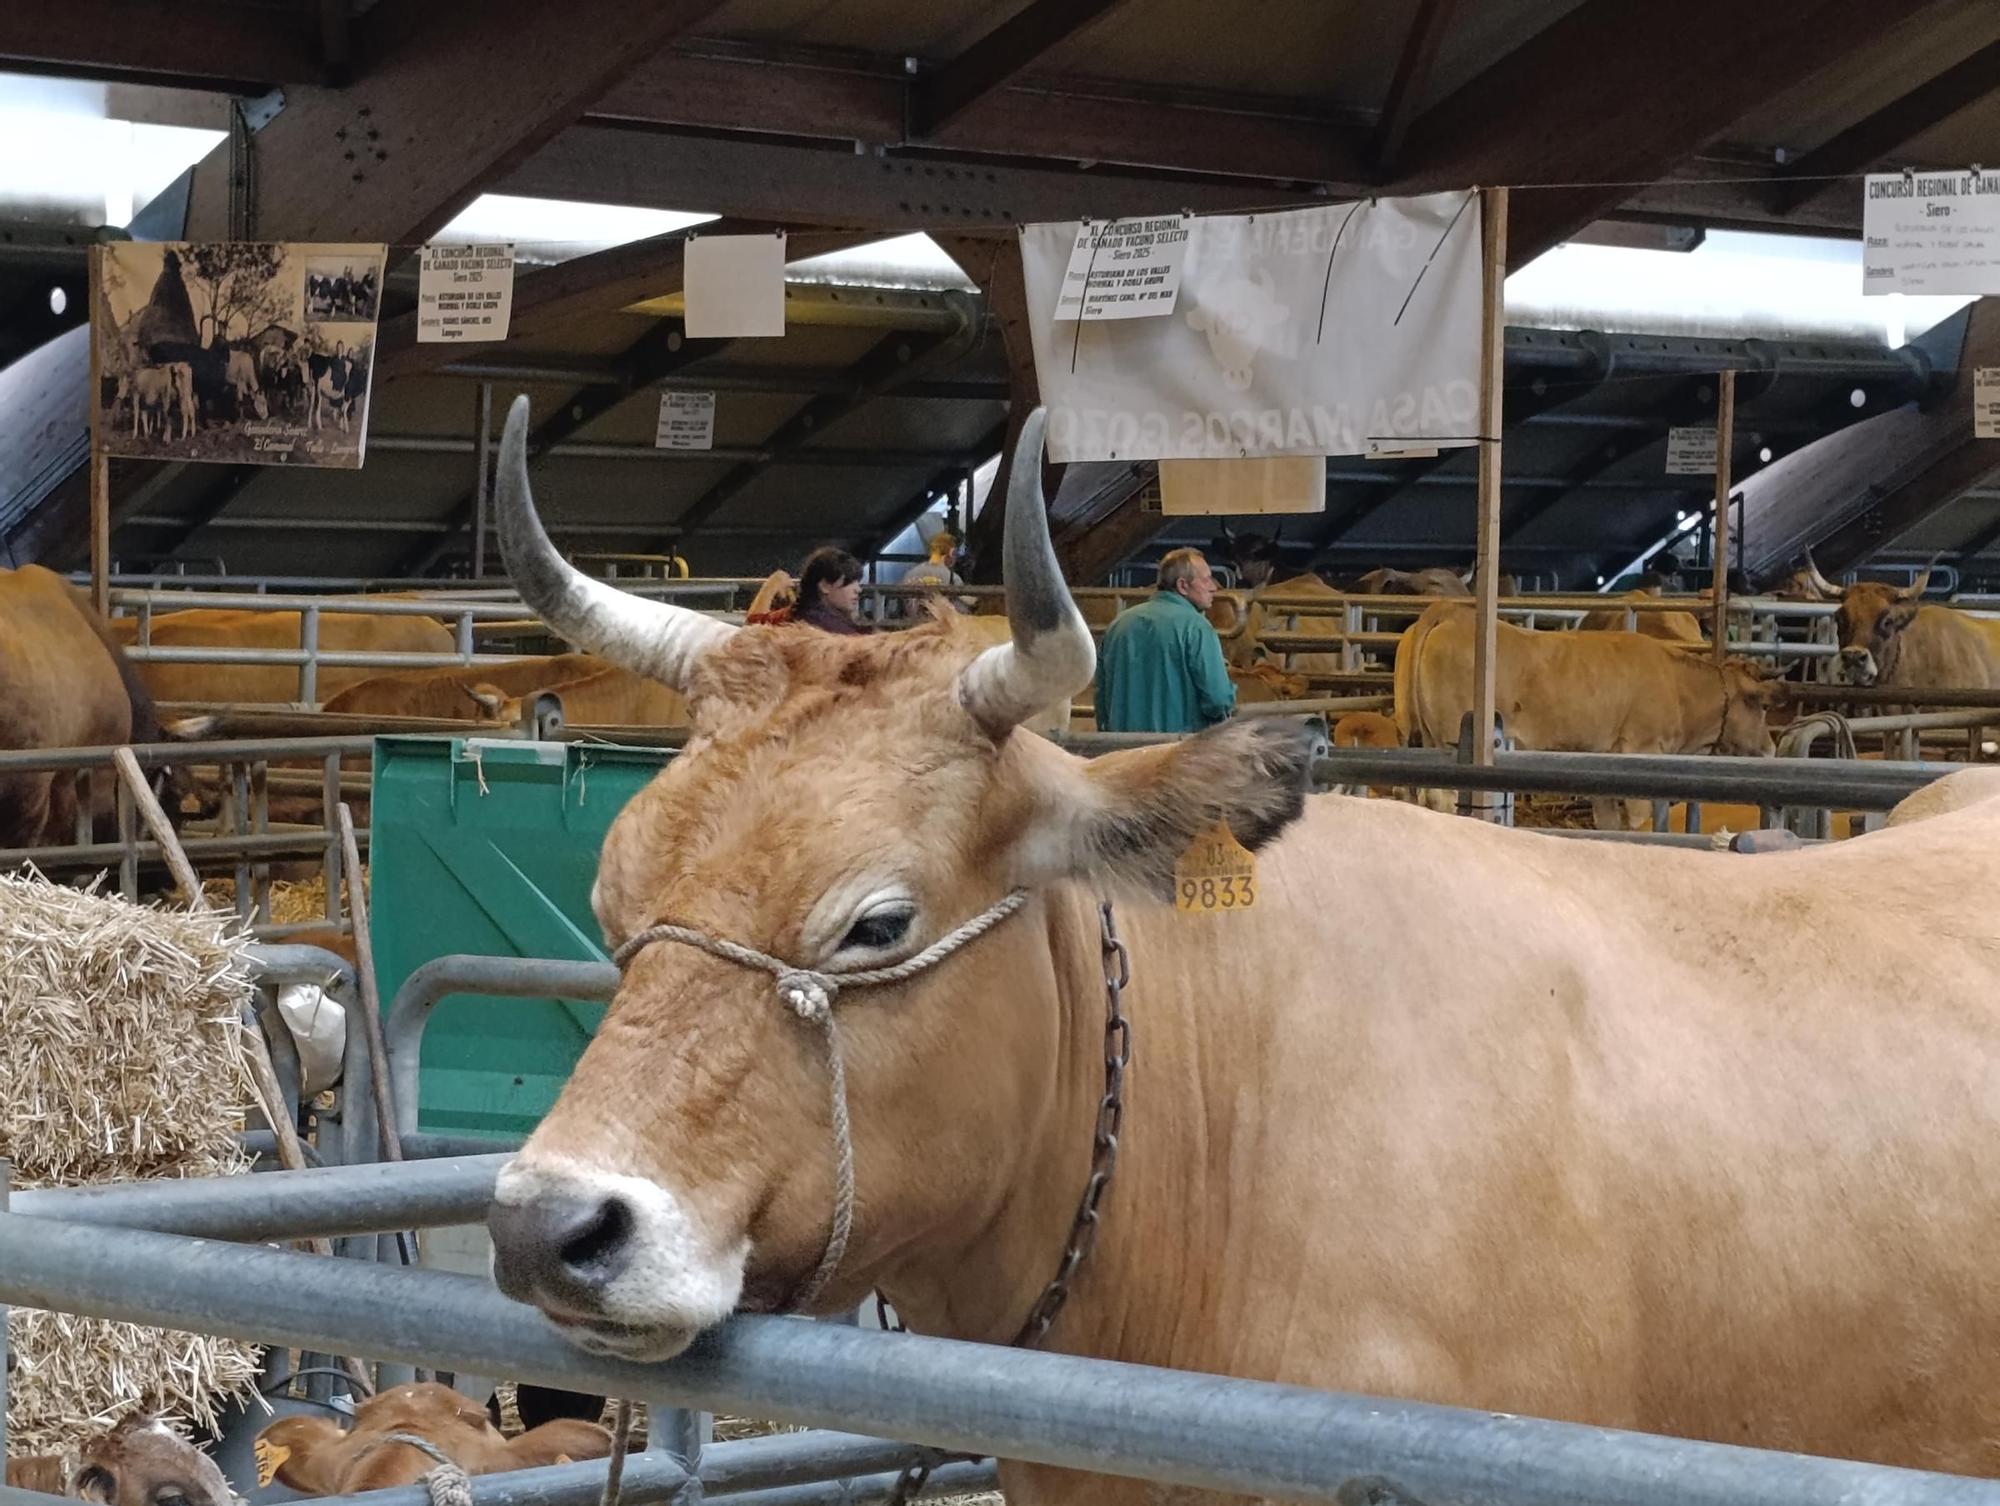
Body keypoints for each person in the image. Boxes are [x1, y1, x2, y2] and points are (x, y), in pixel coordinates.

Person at [1094, 548, 1236, 733]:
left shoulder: (1119, 624)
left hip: (1124, 751)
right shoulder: (1197, 627)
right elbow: (1218, 700)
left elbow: (1101, 696)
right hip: (1175, 752)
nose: (1214, 587)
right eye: (1206, 579)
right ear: (1183, 586)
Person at [783, 547, 872, 635]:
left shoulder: (797, 617)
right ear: (824, 586)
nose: (858, 590)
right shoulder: (833, 631)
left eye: (857, 582)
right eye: (850, 582)